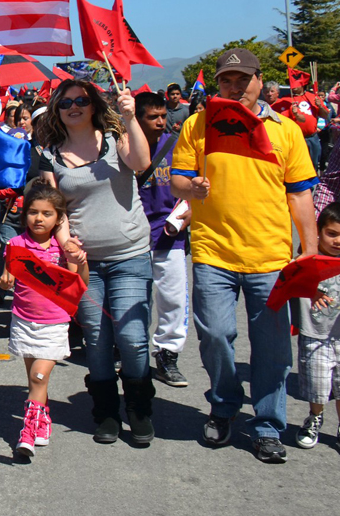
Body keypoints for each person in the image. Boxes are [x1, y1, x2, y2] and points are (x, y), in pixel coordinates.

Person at [171, 48, 318, 463]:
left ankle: (268, 424)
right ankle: (223, 404)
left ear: (259, 80)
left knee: (272, 350)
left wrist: (308, 252)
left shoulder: (286, 131)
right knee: (215, 334)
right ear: (217, 84)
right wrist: (191, 189)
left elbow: (301, 195)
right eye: (226, 81)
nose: (235, 88)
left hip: (270, 257)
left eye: (243, 80)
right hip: (213, 251)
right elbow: (178, 181)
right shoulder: (199, 125)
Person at [36, 78, 153, 445]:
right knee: (97, 340)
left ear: (93, 106)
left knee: (132, 339)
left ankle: (139, 407)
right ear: (57, 109)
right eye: (66, 102)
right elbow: (56, 208)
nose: (74, 107)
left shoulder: (116, 139)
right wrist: (65, 240)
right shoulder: (50, 154)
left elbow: (142, 162)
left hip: (130, 254)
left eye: (81, 101)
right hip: (85, 264)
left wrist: (130, 117)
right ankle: (105, 411)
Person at [0, 182, 87, 456]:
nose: (39, 218)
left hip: (55, 323)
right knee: (36, 382)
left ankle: (27, 432)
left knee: (39, 376)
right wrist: (5, 279)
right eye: (33, 212)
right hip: (24, 321)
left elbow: (79, 285)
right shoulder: (15, 244)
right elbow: (5, 279)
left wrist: (80, 260)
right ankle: (43, 419)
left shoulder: (66, 249)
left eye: (47, 213)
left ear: (58, 218)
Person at [134, 92, 191, 387]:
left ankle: (168, 354)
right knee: (134, 300)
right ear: (138, 118)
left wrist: (185, 212)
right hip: (133, 237)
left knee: (172, 298)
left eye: (162, 115)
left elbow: (193, 185)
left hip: (170, 234)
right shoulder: (124, 148)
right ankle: (131, 352)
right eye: (152, 117)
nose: (160, 121)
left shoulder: (177, 145)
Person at [293, 202, 340, 449]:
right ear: (318, 232)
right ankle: (315, 416)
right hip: (315, 335)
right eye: (332, 233)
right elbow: (288, 284)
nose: (338, 241)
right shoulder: (307, 262)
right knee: (317, 386)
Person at [273, 71, 327, 172]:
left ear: (303, 85)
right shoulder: (284, 100)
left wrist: (320, 106)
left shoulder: (312, 97)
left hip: (312, 137)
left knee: (314, 163)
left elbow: (325, 115)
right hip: (295, 139)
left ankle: (313, 186)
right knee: (297, 165)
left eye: (295, 84)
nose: (292, 86)